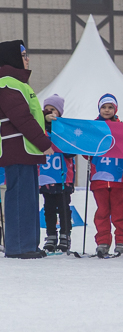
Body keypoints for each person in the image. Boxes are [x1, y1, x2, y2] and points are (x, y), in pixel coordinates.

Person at [0, 40, 54, 259]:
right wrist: (44, 143)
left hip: (27, 150)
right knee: (21, 197)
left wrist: (45, 117)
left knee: (29, 198)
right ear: (12, 57)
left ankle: (28, 244)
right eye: (23, 54)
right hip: (18, 148)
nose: (27, 58)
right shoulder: (6, 82)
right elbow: (21, 117)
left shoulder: (17, 82)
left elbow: (29, 113)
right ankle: (19, 246)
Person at [90, 94, 123, 257]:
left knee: (119, 212)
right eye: (104, 107)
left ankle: (121, 240)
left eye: (110, 107)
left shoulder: (122, 128)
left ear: (116, 109)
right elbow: (87, 153)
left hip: (117, 178)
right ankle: (103, 241)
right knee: (102, 212)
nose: (107, 110)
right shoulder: (92, 127)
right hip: (98, 178)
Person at [39, 95, 75, 254]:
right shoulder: (40, 128)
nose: (50, 113)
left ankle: (65, 235)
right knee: (49, 208)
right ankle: (51, 236)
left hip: (62, 177)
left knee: (63, 207)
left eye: (53, 110)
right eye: (47, 109)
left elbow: (71, 152)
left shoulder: (64, 129)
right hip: (46, 176)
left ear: (60, 112)